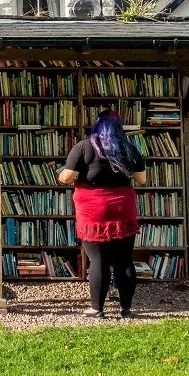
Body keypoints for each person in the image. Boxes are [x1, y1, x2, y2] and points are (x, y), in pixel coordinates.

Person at [59, 109, 146, 319]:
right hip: (122, 208)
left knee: (98, 259)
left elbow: (66, 177)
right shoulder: (128, 147)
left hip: (93, 210)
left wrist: (66, 175)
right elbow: (141, 179)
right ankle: (126, 309)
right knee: (124, 259)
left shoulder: (84, 146)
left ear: (96, 126)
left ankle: (97, 309)